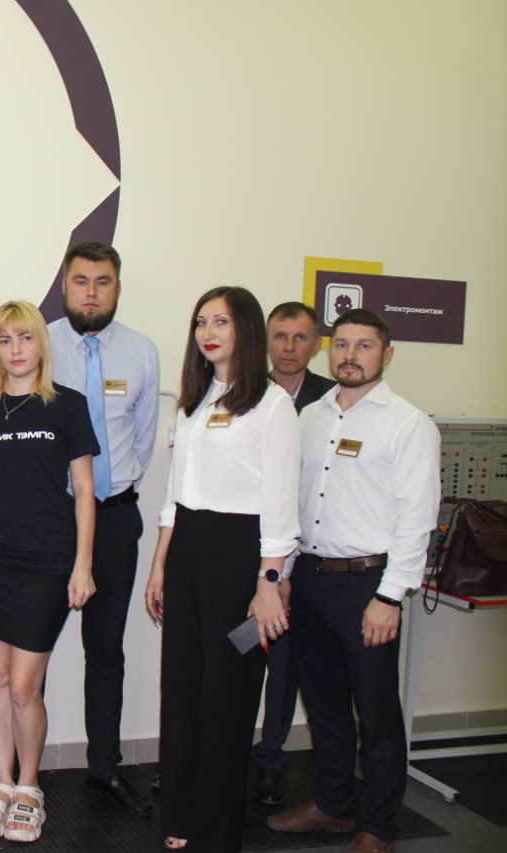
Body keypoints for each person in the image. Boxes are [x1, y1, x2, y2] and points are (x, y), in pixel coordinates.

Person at [267, 309, 440, 853]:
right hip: (310, 580)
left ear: (387, 355)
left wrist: (391, 596)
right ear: (329, 350)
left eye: (364, 346)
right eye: (342, 345)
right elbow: (292, 503)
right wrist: (285, 575)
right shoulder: (308, 417)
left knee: (377, 712)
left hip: (369, 586)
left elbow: (417, 518)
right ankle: (333, 803)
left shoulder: (408, 424)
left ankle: (378, 826)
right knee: (324, 706)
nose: (350, 355)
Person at [144, 286, 300, 852]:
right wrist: (159, 565)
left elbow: (281, 505)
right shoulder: (195, 400)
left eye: (221, 322)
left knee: (227, 697)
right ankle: (182, 818)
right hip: (187, 551)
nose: (208, 333)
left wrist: (269, 584)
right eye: (201, 322)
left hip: (242, 561)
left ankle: (216, 832)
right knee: (183, 686)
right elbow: (174, 495)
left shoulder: (273, 405)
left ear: (246, 330)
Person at [0, 301, 98, 843]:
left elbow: (85, 490)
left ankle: (30, 786)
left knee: (25, 685)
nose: (15, 349)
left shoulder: (67, 406)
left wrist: (83, 565)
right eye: (5, 340)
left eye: (24, 338)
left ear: (40, 344)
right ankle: (2, 782)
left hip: (47, 562)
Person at [46, 241, 159, 816]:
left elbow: (143, 437)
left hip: (114, 518)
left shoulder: (142, 352)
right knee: (31, 650)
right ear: (64, 284)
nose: (91, 292)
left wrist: (111, 490)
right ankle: (21, 774)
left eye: (103, 281)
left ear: (117, 287)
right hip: (51, 522)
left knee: (106, 650)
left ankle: (104, 769)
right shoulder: (37, 344)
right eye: (81, 281)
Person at [251, 301, 337, 806]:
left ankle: (269, 759)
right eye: (280, 337)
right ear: (266, 341)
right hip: (246, 553)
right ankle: (217, 753)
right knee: (238, 652)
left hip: (302, 560)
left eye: (300, 337)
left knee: (283, 667)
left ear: (316, 345)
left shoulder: (332, 402)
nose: (289, 347)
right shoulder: (244, 391)